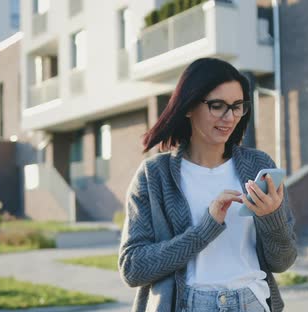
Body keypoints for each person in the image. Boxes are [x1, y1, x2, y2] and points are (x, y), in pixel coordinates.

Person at [118, 57, 297, 312]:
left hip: (251, 302)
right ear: (189, 106)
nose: (229, 117)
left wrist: (271, 218)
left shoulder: (259, 165)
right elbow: (132, 268)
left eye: (237, 106)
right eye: (217, 106)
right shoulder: (155, 175)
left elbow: (283, 261)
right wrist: (206, 228)